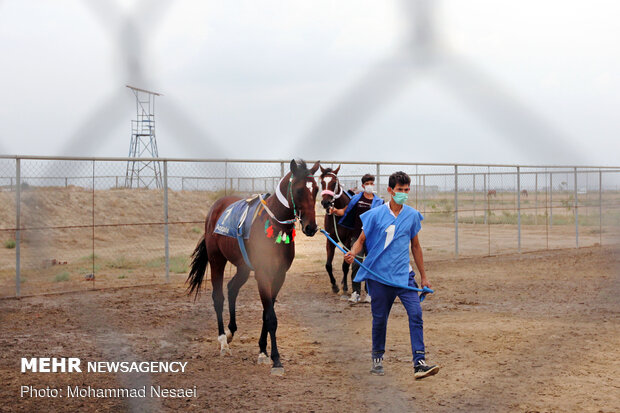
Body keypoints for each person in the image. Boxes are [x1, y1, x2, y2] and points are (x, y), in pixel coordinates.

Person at [344, 171, 439, 379]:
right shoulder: (376, 214)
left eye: (406, 190)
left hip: (404, 277)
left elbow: (416, 246)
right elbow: (361, 240)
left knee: (416, 314)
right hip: (379, 278)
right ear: (390, 191)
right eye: (400, 190)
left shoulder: (412, 216)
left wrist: (423, 276)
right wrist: (353, 252)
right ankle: (377, 358)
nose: (404, 193)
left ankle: (419, 362)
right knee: (380, 319)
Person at [329, 173, 383, 303]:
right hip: (357, 237)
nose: (369, 186)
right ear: (363, 185)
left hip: (372, 239)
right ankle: (355, 292)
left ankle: (370, 293)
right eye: (367, 184)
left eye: (371, 183)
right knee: (356, 265)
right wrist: (335, 211)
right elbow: (345, 211)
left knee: (370, 265)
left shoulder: (379, 202)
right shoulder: (356, 199)